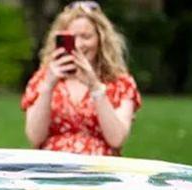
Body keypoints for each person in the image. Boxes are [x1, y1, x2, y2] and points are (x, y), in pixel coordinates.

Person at [21, 1, 141, 156]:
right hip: (52, 169)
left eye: (86, 37)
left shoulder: (120, 83)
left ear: (101, 39)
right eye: (72, 38)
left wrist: (95, 87)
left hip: (98, 170)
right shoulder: (43, 79)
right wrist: (48, 86)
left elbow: (117, 139)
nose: (78, 45)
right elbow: (34, 137)